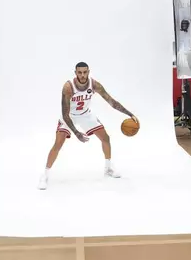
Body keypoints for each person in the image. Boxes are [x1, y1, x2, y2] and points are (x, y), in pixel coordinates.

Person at [38, 62, 138, 190]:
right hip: (69, 116)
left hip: (85, 114)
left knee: (105, 138)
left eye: (85, 72)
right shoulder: (68, 87)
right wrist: (76, 133)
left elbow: (111, 101)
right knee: (58, 143)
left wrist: (129, 114)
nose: (82, 75)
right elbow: (65, 113)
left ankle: (108, 168)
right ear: (75, 73)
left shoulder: (94, 84)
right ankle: (45, 174)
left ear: (88, 72)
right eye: (79, 72)